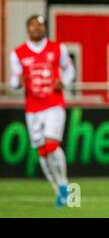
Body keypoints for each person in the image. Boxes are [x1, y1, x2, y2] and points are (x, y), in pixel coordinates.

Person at [9, 14, 75, 207]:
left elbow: (69, 69)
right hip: (33, 108)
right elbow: (14, 80)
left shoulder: (57, 48)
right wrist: (18, 83)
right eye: (32, 25)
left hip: (54, 104)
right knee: (42, 151)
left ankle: (65, 187)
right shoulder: (18, 53)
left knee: (52, 145)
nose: (36, 28)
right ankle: (58, 191)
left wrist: (64, 82)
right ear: (27, 28)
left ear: (46, 28)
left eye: (40, 25)